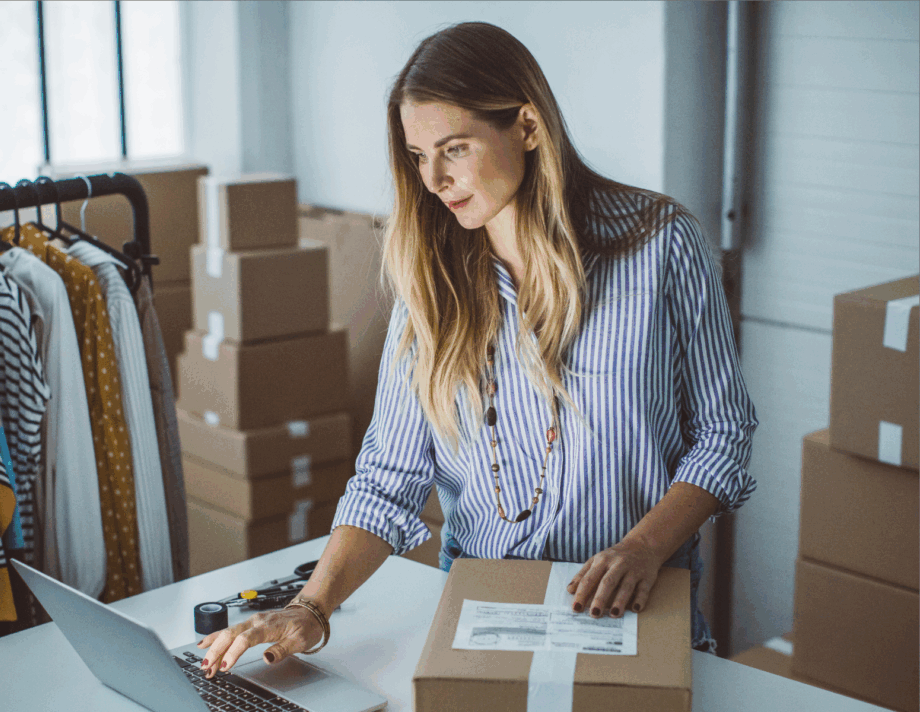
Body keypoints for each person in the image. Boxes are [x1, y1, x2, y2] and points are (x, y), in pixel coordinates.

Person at [198, 21, 758, 678]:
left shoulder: (663, 245)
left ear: (526, 126)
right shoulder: (430, 284)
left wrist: (643, 546)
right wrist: (312, 607)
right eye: (416, 156)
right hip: (485, 618)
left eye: (454, 148)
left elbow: (724, 435)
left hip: (636, 613)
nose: (433, 178)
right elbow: (388, 479)